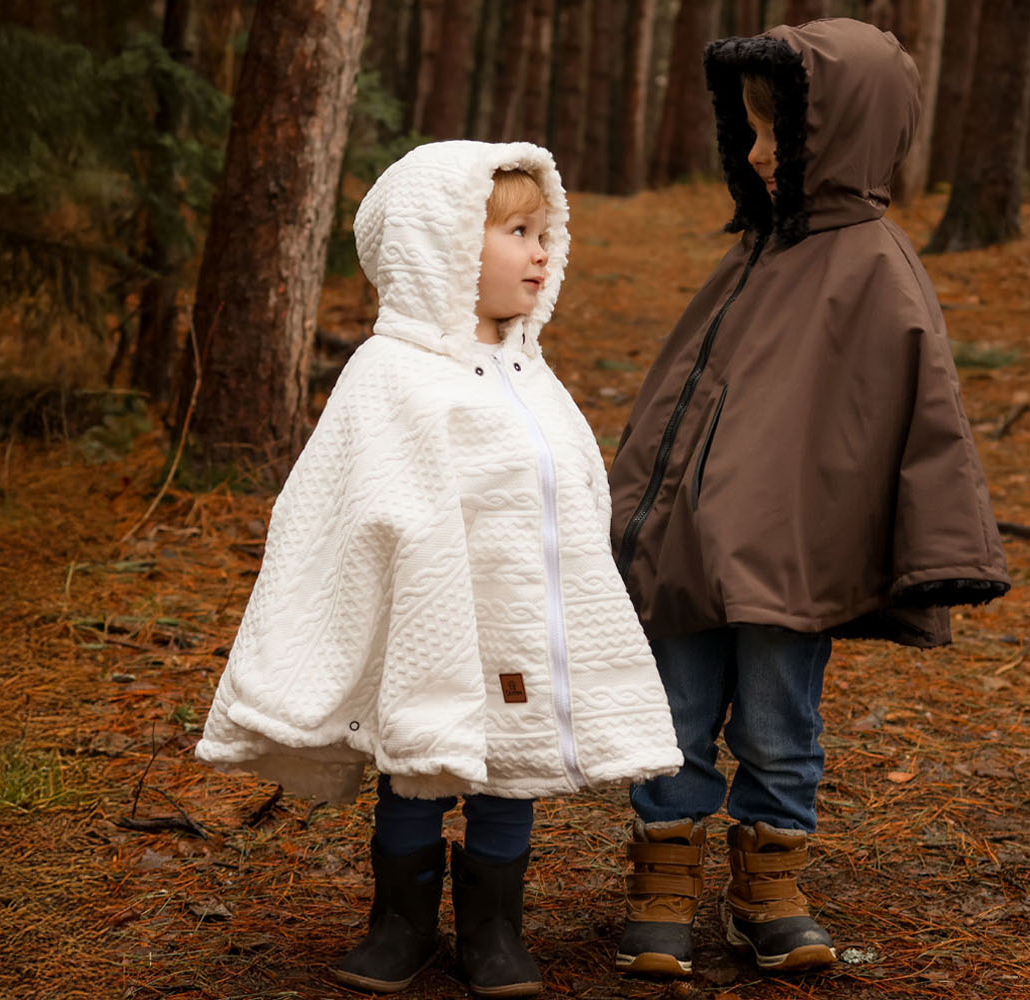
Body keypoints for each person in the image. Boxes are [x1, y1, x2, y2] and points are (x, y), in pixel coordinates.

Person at [195, 140, 682, 998]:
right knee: (421, 766)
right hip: (431, 616)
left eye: (543, 232)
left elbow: (567, 492)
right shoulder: (392, 373)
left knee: (508, 769)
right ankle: (400, 925)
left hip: (519, 621)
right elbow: (333, 505)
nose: (540, 252)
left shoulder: (535, 373)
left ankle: (494, 930)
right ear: (442, 245)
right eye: (516, 231)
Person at [607, 19, 1012, 977]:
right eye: (745, 133)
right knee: (672, 718)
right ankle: (661, 883)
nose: (754, 155)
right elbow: (678, 406)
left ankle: (769, 886)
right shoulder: (751, 255)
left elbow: (921, 425)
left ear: (836, 135)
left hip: (791, 559)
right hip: (688, 549)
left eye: (773, 134)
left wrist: (939, 549)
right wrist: (632, 515)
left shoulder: (874, 269)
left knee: (780, 726)